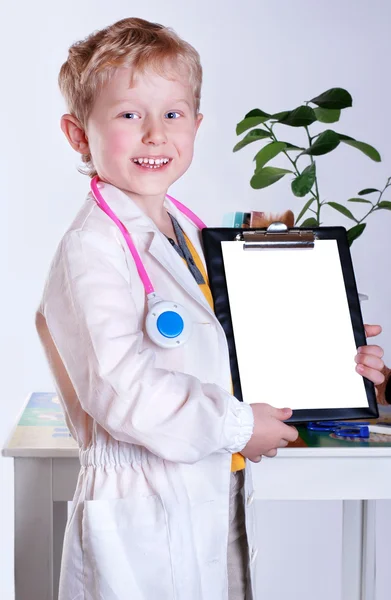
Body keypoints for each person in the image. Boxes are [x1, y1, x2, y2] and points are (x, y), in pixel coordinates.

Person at [35, 17, 386, 600]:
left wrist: (328, 351)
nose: (155, 134)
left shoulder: (187, 234)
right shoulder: (90, 248)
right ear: (78, 134)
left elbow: (224, 350)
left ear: (196, 125)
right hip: (142, 511)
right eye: (129, 114)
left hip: (207, 494)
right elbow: (123, 388)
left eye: (173, 114)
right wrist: (239, 425)